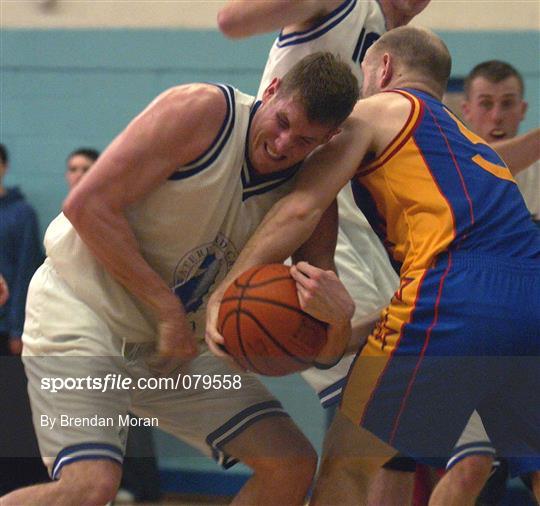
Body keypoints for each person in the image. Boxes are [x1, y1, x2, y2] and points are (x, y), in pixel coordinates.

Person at [1, 53, 359, 506]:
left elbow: (324, 348)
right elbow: (85, 206)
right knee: (89, 488)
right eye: (283, 121)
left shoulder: (310, 195)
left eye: (305, 139)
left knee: (291, 463)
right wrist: (166, 309)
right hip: (83, 312)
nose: (284, 143)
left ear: (329, 139)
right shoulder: (203, 112)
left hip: (174, 349)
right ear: (271, 91)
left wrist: (338, 322)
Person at [206, 26, 540, 505]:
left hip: (454, 288)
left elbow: (300, 208)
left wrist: (228, 288)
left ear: (382, 69)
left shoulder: (377, 108)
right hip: (531, 297)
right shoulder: (470, 143)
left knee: (350, 465)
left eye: (364, 73)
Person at [0, 143, 49, 494]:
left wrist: (19, 327)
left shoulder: (21, 214)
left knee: (15, 410)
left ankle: (23, 484)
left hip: (7, 328)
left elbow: (25, 273)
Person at [462, 60, 539, 226]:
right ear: (467, 110)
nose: (496, 116)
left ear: (523, 110)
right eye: (486, 104)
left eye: (507, 103)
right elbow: (484, 160)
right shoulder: (450, 165)